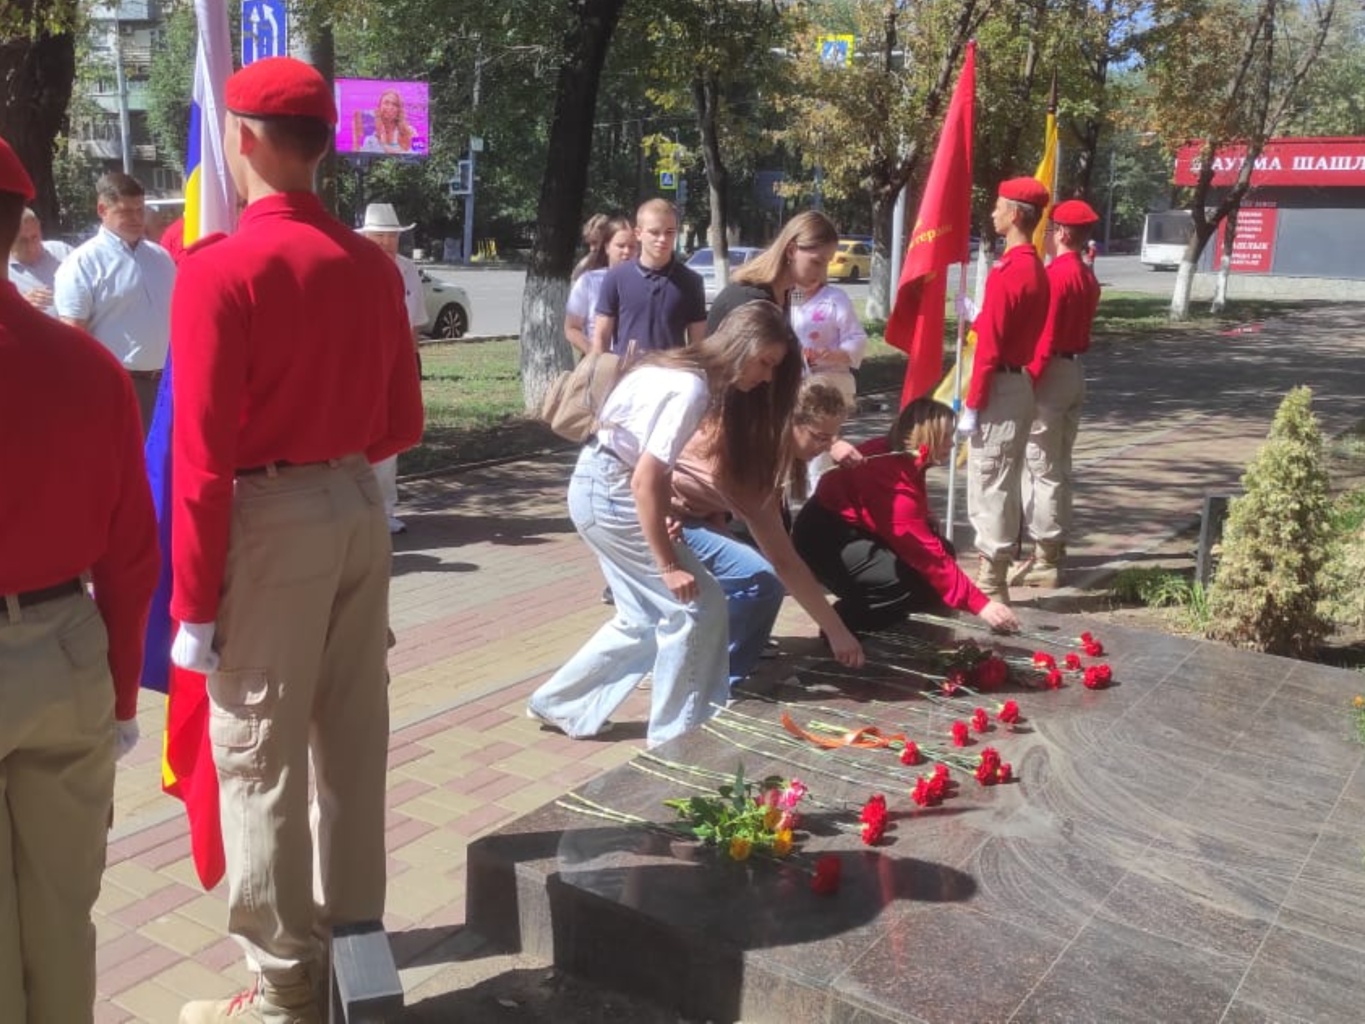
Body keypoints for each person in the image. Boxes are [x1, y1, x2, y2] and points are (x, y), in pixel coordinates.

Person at [167, 57, 423, 1024]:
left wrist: (193, 606)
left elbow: (198, 461)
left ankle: (283, 995)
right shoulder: (371, 265)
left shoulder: (220, 270)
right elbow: (402, 423)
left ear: (240, 140)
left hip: (270, 524)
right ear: (321, 147)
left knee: (259, 759)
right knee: (354, 743)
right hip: (359, 506)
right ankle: (360, 963)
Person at [0, 135, 159, 1022]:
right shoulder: (89, 368)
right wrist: (125, 695)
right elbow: (130, 551)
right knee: (64, 912)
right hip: (66, 652)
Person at [528, 300, 800, 748]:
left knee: (641, 617)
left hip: (597, 483)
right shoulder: (690, 388)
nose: (767, 376)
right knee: (696, 605)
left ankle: (562, 702)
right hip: (611, 491)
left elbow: (650, 467)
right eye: (765, 362)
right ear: (741, 347)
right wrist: (667, 562)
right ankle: (679, 735)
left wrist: (668, 514)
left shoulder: (681, 370)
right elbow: (645, 478)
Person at [671, 381, 865, 686]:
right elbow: (784, 562)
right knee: (761, 578)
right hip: (663, 518)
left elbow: (707, 485)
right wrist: (837, 630)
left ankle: (711, 665)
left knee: (749, 574)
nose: (824, 447)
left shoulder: (769, 449)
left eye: (831, 439)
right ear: (792, 422)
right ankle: (713, 679)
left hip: (687, 515)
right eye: (819, 437)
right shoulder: (758, 461)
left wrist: (713, 517)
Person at [792, 398, 1020, 635]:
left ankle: (890, 616)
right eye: (946, 437)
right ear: (926, 437)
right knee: (896, 582)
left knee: (942, 554)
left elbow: (916, 519)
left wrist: (926, 517)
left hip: (854, 529)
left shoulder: (902, 457)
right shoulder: (886, 471)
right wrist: (981, 605)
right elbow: (924, 553)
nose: (952, 444)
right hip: (825, 537)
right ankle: (843, 626)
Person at [955, 177, 1051, 604]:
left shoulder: (1010, 272)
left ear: (1015, 215)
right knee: (1005, 483)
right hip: (1018, 384)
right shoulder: (1033, 268)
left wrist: (972, 405)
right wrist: (979, 316)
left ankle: (990, 582)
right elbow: (1004, 331)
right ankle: (994, 571)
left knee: (989, 484)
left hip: (999, 388)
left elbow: (991, 348)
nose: (992, 213)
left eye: (998, 207)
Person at [1015, 199, 1103, 589]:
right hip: (1073, 372)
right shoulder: (1085, 275)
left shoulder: (1057, 276)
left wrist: (1025, 382)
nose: (1046, 237)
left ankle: (1045, 555)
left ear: (1063, 233)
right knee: (1060, 465)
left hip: (1049, 375)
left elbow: (1044, 338)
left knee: (1041, 468)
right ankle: (1055, 542)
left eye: (1050, 230)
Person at [54, 171, 176, 436]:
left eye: (140, 210)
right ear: (103, 209)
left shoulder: (161, 258)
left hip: (168, 382)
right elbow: (74, 334)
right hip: (118, 384)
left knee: (166, 469)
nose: (136, 219)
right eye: (126, 211)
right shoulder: (82, 263)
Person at [358, 201, 429, 534]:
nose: (387, 242)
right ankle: (358, 508)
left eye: (392, 236)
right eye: (380, 236)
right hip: (363, 367)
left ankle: (385, 510)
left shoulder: (406, 269)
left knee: (392, 439)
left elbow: (415, 321)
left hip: (397, 364)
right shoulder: (352, 266)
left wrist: (410, 369)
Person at [592, 198, 706, 355]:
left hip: (672, 374)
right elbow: (601, 337)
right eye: (654, 232)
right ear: (638, 233)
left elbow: (698, 343)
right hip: (627, 375)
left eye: (669, 232)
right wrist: (601, 375)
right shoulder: (616, 278)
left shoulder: (691, 282)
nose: (662, 239)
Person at [706, 210, 839, 332]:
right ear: (791, 251)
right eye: (817, 262)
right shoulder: (750, 300)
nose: (823, 274)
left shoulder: (793, 293)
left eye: (827, 264)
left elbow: (800, 334)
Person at [565, 213, 634, 355]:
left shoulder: (649, 283)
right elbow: (571, 328)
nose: (627, 252)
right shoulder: (589, 281)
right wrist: (596, 355)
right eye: (621, 246)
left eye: (632, 246)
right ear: (607, 247)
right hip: (597, 364)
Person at [7, 207, 72, 315]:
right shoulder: (4, 271)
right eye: (22, 241)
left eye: (34, 237)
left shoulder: (62, 252)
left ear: (40, 229)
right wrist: (19, 305)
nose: (30, 247)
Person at [359, 89, 415, 154]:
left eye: (395, 104)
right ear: (379, 107)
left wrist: (386, 147)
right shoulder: (370, 139)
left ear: (399, 109)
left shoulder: (412, 131)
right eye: (386, 103)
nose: (390, 107)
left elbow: (420, 152)